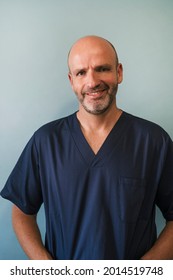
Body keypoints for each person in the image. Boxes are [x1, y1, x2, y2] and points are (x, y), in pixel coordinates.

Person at [1, 35, 173, 260]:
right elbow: (22, 211)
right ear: (71, 80)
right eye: (81, 72)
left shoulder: (153, 141)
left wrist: (144, 271)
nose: (92, 82)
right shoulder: (45, 141)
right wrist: (46, 269)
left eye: (102, 69)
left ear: (119, 72)